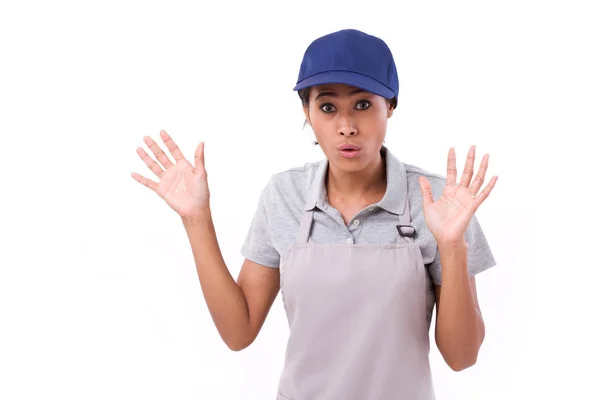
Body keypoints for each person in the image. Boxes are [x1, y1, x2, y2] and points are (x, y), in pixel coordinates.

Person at [131, 28, 498, 400]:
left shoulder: (438, 202)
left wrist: (452, 245)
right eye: (327, 107)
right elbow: (238, 332)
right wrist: (196, 218)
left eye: (363, 104)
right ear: (306, 111)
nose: (347, 126)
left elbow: (462, 357)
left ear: (390, 105)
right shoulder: (284, 195)